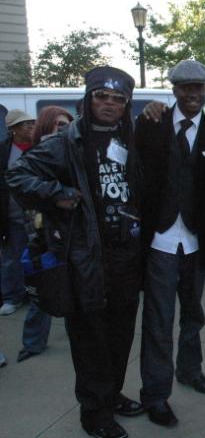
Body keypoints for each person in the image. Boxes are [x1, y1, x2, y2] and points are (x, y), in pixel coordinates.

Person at [7, 66, 145, 438]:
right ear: (88, 99)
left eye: (118, 99)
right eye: (102, 97)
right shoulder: (66, 141)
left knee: (120, 334)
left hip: (127, 256)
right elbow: (17, 176)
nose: (110, 104)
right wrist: (57, 195)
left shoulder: (129, 137)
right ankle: (93, 413)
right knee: (90, 341)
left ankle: (111, 396)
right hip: (86, 258)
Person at [135, 60, 205, 427]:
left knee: (194, 314)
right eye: (186, 88)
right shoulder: (151, 123)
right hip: (159, 238)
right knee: (159, 321)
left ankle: (191, 371)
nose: (193, 94)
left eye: (199, 89)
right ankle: (156, 394)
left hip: (194, 239)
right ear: (174, 90)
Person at [17, 106, 73, 363]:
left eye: (67, 124)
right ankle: (33, 342)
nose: (64, 128)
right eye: (59, 124)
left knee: (74, 290)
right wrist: (55, 195)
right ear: (46, 125)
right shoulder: (37, 155)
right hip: (46, 233)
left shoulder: (73, 151)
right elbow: (24, 190)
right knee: (44, 287)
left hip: (74, 233)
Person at [0, 109, 35, 316]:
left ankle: (35, 293)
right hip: (11, 214)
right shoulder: (3, 151)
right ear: (13, 130)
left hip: (37, 215)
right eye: (25, 124)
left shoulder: (41, 146)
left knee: (37, 255)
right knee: (11, 257)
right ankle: (12, 297)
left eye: (31, 123)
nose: (30, 127)